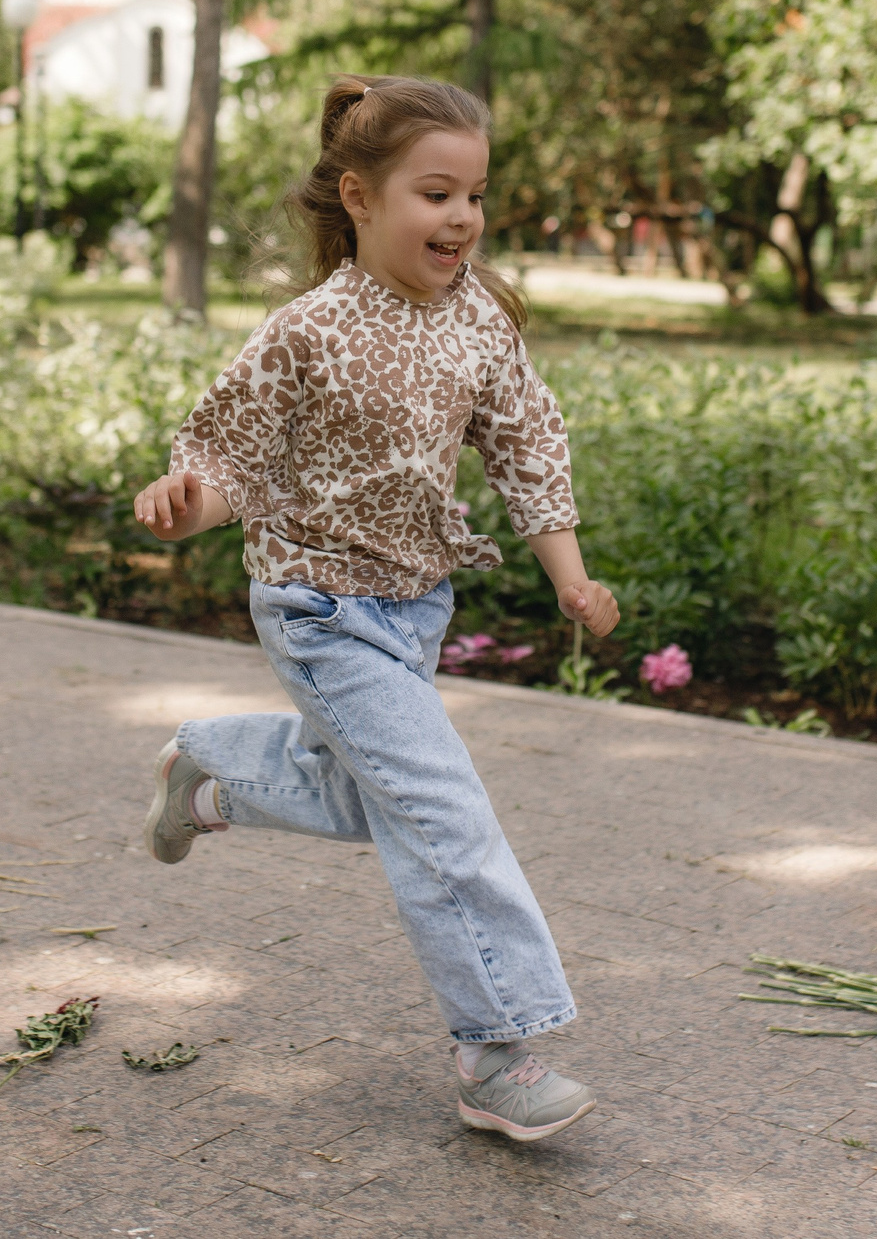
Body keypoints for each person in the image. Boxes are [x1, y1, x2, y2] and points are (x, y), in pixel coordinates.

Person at [131, 74, 621, 1143]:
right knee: (444, 815)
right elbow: (231, 459)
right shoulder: (308, 331)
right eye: (435, 194)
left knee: (376, 799)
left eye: (476, 196)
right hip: (316, 609)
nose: (462, 219)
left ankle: (210, 774)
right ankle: (497, 1053)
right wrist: (187, 505)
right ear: (357, 196)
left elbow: (526, 443)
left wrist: (568, 575)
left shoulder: (478, 319)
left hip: (412, 611)